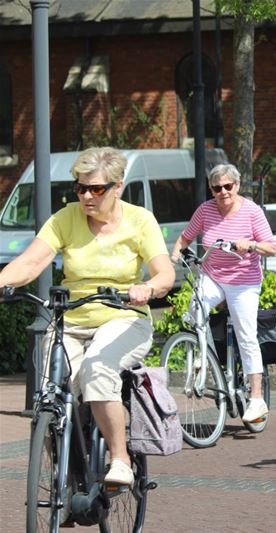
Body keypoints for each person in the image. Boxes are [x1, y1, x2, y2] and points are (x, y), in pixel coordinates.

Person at [0, 147, 175, 486]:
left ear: (117, 187)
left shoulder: (140, 220)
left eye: (96, 189)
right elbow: (31, 262)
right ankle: (64, 478)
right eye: (80, 188)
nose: (86, 197)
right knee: (49, 395)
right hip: (71, 319)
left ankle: (120, 458)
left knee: (98, 369)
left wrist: (148, 288)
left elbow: (164, 274)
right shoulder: (66, 218)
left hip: (123, 317)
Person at [171, 163, 276, 423]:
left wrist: (251, 245)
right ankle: (204, 355)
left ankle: (256, 399)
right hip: (213, 276)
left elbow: (271, 247)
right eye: (217, 188)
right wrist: (173, 257)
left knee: (246, 334)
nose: (223, 192)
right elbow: (185, 238)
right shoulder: (205, 210)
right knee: (195, 308)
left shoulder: (251, 211)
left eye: (228, 186)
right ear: (211, 189)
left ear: (237, 185)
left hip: (244, 281)